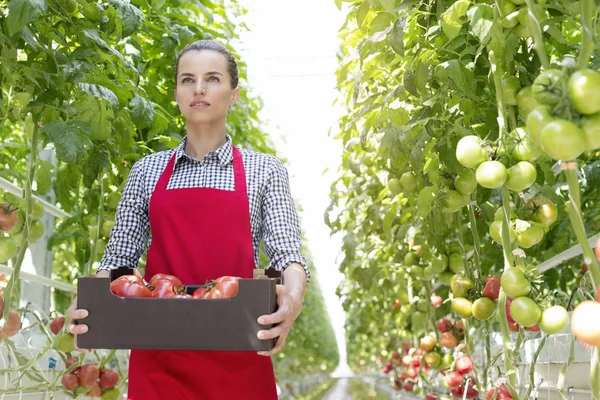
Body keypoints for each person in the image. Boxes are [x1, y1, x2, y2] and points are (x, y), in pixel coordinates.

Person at [66, 39, 310, 399]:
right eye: (187, 79)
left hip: (240, 351)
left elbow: (288, 255)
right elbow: (118, 262)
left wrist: (293, 297)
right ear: (177, 94)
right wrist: (89, 302)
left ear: (234, 94)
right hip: (159, 354)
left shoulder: (264, 170)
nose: (198, 88)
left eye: (212, 79)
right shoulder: (147, 171)